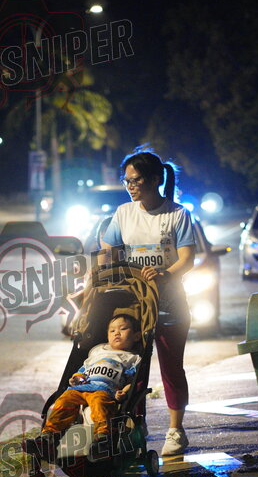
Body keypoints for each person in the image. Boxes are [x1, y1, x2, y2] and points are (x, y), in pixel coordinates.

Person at [101, 149, 201, 456]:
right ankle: (136, 426)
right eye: (127, 181)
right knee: (132, 370)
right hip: (135, 307)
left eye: (136, 180)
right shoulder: (123, 213)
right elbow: (107, 252)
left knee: (172, 368)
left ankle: (176, 431)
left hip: (171, 305)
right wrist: (102, 277)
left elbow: (187, 259)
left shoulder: (178, 214)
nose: (130, 186)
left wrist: (165, 275)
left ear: (156, 179)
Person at [24, 314, 141, 460]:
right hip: (82, 387)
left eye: (123, 329)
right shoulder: (98, 351)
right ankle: (47, 437)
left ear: (136, 336)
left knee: (100, 406)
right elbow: (83, 369)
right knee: (63, 402)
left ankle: (102, 439)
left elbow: (133, 380)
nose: (116, 333)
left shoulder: (132, 358)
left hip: (104, 389)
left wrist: (123, 392)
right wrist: (76, 377)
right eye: (112, 331)